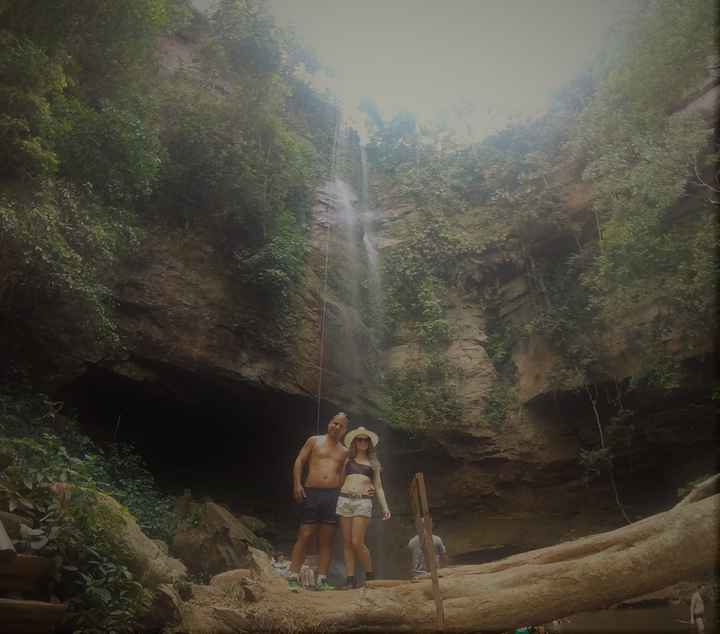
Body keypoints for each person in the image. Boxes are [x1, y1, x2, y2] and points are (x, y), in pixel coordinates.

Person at [287, 412, 349, 591]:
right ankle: (293, 574)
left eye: (340, 425)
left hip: (333, 495)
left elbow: (344, 476)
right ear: (329, 423)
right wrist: (297, 484)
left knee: (327, 539)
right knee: (305, 534)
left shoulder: (345, 451)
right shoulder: (314, 440)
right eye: (334, 423)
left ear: (344, 430)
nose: (336, 427)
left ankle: (322, 579)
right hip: (312, 492)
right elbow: (300, 461)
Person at [335, 426, 391, 589]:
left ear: (370, 443)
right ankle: (350, 579)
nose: (363, 442)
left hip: (363, 501)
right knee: (347, 543)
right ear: (354, 442)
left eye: (365, 439)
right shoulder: (347, 461)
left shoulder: (374, 464)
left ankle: (370, 576)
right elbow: (339, 482)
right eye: (359, 439)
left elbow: (379, 487)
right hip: (344, 500)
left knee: (356, 541)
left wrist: (385, 508)